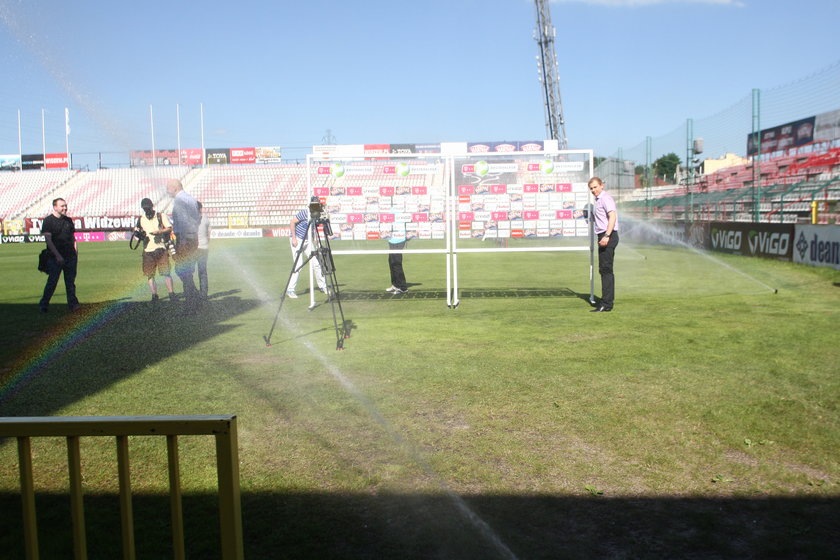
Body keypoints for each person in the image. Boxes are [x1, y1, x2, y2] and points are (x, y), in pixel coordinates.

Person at [576, 177, 619, 312]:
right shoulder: (598, 200)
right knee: (604, 269)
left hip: (608, 236)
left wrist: (606, 235)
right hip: (603, 236)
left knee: (606, 270)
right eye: (591, 188)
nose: (593, 190)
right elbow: (598, 217)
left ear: (601, 186)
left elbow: (612, 216)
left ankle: (606, 304)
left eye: (595, 187)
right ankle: (606, 301)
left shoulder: (606, 198)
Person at [39, 198, 80, 313]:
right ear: (55, 207)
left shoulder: (68, 220)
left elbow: (73, 238)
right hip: (55, 258)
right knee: (52, 282)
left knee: (70, 282)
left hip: (70, 256)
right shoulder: (48, 221)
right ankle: (44, 304)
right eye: (62, 206)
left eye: (65, 205)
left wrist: (76, 253)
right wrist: (57, 256)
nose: (65, 208)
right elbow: (48, 240)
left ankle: (73, 305)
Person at [166, 179, 201, 308]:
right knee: (185, 270)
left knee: (182, 270)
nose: (166, 191)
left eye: (168, 188)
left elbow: (184, 222)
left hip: (184, 239)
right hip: (192, 238)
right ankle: (194, 297)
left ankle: (191, 302)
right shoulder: (190, 199)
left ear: (175, 188)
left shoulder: (180, 200)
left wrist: (182, 241)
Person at [287, 197, 328, 299]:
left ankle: (323, 286)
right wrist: (294, 238)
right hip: (298, 239)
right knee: (298, 264)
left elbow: (313, 230)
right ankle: (290, 289)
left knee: (317, 263)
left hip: (308, 240)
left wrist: (316, 243)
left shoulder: (316, 215)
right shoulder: (305, 213)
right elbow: (292, 222)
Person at [136, 198, 176, 302]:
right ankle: (154, 295)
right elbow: (137, 232)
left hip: (161, 248)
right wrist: (139, 235)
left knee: (166, 272)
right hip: (148, 250)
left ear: (152, 206)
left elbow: (169, 228)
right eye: (145, 208)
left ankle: (171, 293)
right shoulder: (140, 219)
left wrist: (159, 232)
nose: (147, 210)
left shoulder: (160, 216)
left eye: (148, 208)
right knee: (150, 274)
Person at [196, 201, 211, 300]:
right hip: (203, 248)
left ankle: (192, 293)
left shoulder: (189, 220)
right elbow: (209, 235)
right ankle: (203, 294)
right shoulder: (206, 219)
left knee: (188, 272)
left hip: (193, 249)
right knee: (202, 271)